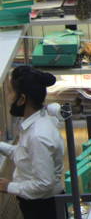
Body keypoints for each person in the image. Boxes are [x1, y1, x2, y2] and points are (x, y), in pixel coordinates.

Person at [0, 66, 64, 219]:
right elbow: (23, 155)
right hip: (40, 204)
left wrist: (9, 186)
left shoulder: (37, 136)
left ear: (22, 99)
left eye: (10, 92)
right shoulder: (36, 123)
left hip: (43, 208)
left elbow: (44, 183)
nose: (7, 98)